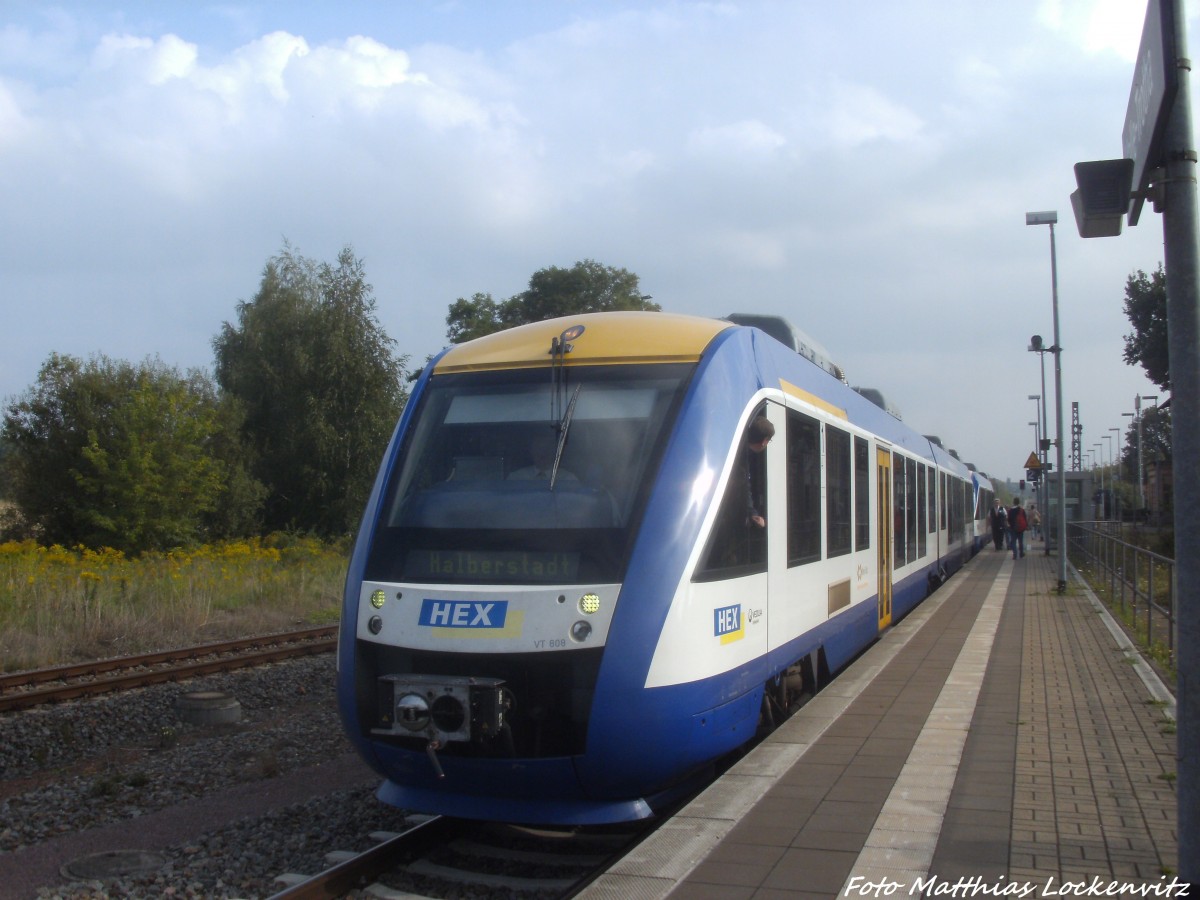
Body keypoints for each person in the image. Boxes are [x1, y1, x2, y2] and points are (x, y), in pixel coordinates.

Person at [509, 430, 578, 481]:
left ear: (555, 451)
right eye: (538, 448)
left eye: (547, 448)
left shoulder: (569, 479)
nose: (542, 453)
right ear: (531, 451)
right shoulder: (515, 478)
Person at [743, 415, 774, 527]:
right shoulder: (745, 459)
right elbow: (745, 487)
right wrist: (753, 513)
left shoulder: (741, 451)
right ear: (764, 441)